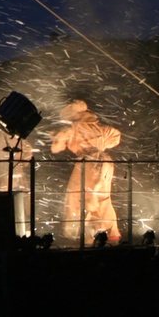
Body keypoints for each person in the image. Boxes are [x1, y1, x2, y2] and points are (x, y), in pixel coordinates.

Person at [50, 100, 122, 244]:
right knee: (103, 199)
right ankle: (113, 234)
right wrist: (100, 145)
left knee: (80, 200)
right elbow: (116, 137)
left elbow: (55, 149)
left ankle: (87, 239)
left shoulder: (72, 129)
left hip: (87, 164)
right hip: (104, 162)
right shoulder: (99, 126)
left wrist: (57, 137)